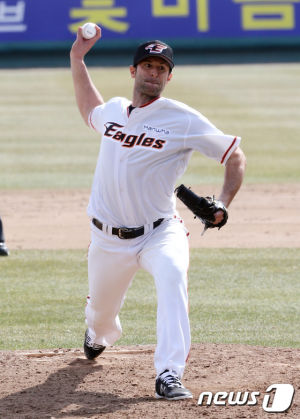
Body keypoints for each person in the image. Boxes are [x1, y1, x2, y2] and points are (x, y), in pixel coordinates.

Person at [70, 27, 246, 400]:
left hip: (160, 232)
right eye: (147, 66)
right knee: (101, 317)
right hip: (107, 239)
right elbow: (90, 111)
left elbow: (234, 155)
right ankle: (98, 332)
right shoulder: (115, 110)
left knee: (171, 277)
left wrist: (223, 204)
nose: (154, 73)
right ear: (133, 72)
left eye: (161, 68)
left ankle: (169, 373)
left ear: (169, 76)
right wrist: (78, 59)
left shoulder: (182, 119)